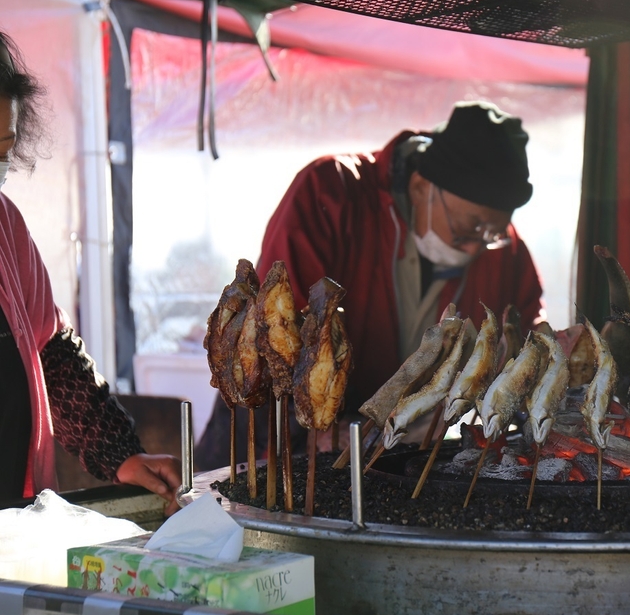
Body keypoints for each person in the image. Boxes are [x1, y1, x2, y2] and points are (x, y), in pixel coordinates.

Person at [196, 101, 545, 469]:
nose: (477, 247)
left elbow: (523, 340)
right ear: (421, 186)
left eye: (491, 234)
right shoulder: (331, 191)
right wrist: (317, 423)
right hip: (283, 436)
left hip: (401, 453)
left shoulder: (504, 249)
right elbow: (278, 331)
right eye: (466, 230)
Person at [0, 31, 182, 513]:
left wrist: (121, 454)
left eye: (2, 149)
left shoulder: (6, 226)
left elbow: (52, 353)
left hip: (15, 523)